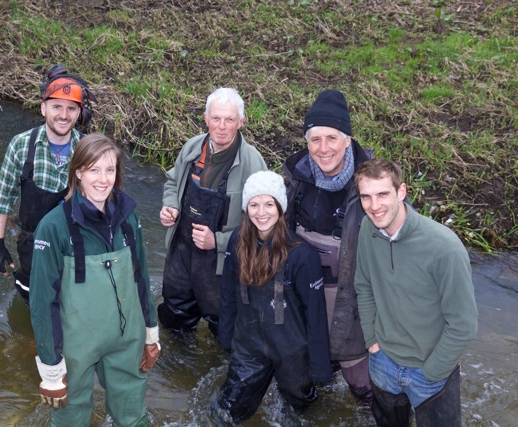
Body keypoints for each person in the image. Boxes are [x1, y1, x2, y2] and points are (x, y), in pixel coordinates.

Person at [29, 133, 160, 426]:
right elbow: (42, 301)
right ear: (78, 172)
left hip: (127, 340)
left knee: (133, 417)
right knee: (70, 418)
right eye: (94, 170)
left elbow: (141, 276)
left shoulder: (129, 218)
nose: (103, 179)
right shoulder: (53, 227)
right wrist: (51, 369)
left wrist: (151, 331)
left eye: (110, 170)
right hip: (75, 346)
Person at [353, 158, 478, 426]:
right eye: (366, 197)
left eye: (383, 194)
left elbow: (464, 324)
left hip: (431, 371)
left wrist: (434, 370)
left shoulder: (445, 248)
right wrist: (372, 342)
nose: (374, 207)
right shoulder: (367, 228)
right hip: (383, 362)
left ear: (401, 192)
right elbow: (363, 285)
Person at [212, 171, 332, 424]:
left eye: (269, 204)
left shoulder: (302, 255)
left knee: (298, 412)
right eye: (254, 204)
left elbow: (316, 315)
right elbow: (229, 293)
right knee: (224, 412)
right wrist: (225, 336)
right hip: (250, 345)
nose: (261, 212)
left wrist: (320, 367)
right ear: (246, 208)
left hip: (292, 351)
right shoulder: (237, 240)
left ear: (280, 208)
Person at [282, 89, 373, 405]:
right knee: (306, 376)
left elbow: (405, 241)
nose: (323, 149)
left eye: (332, 138)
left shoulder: (372, 182)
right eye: (315, 139)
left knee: (366, 386)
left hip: (354, 306)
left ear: (348, 139)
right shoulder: (295, 176)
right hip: (304, 296)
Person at [158, 87, 267, 335]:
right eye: (216, 118)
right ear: (206, 119)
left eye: (229, 120)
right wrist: (170, 206)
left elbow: (264, 224)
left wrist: (217, 241)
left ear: (241, 122)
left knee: (224, 329)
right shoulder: (192, 148)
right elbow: (172, 182)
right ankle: (180, 371)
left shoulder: (253, 163)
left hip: (223, 263)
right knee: (175, 321)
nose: (221, 126)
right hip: (181, 254)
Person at [0, 64, 96, 303]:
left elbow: (100, 203)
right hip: (31, 246)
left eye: (71, 108)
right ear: (43, 108)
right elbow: (2, 199)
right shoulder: (21, 145)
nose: (63, 115)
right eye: (56, 106)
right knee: (33, 301)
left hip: (72, 246)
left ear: (79, 113)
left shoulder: (87, 150)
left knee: (71, 304)